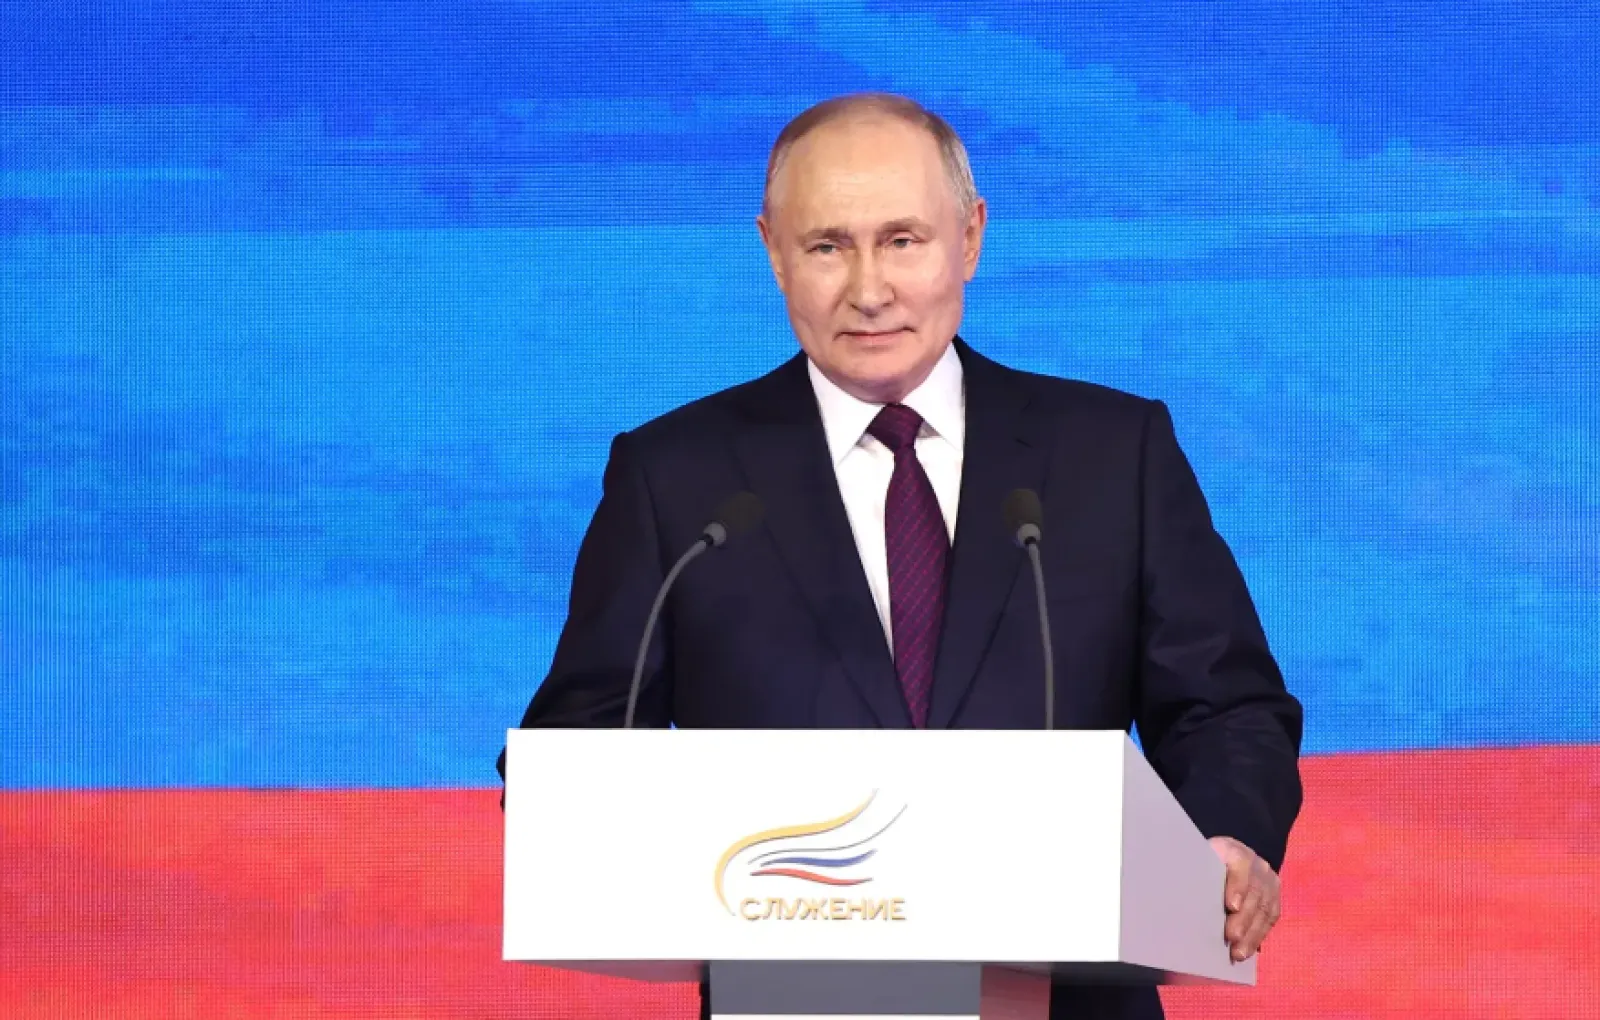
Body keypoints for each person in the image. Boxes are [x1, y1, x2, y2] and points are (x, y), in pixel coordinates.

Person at [501, 93, 1303, 1020]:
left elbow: (1224, 706)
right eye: (827, 246)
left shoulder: (1111, 453)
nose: (869, 289)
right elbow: (581, 744)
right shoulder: (677, 479)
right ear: (773, 252)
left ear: (970, 238)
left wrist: (1224, 838)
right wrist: (580, 811)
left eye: (903, 241)